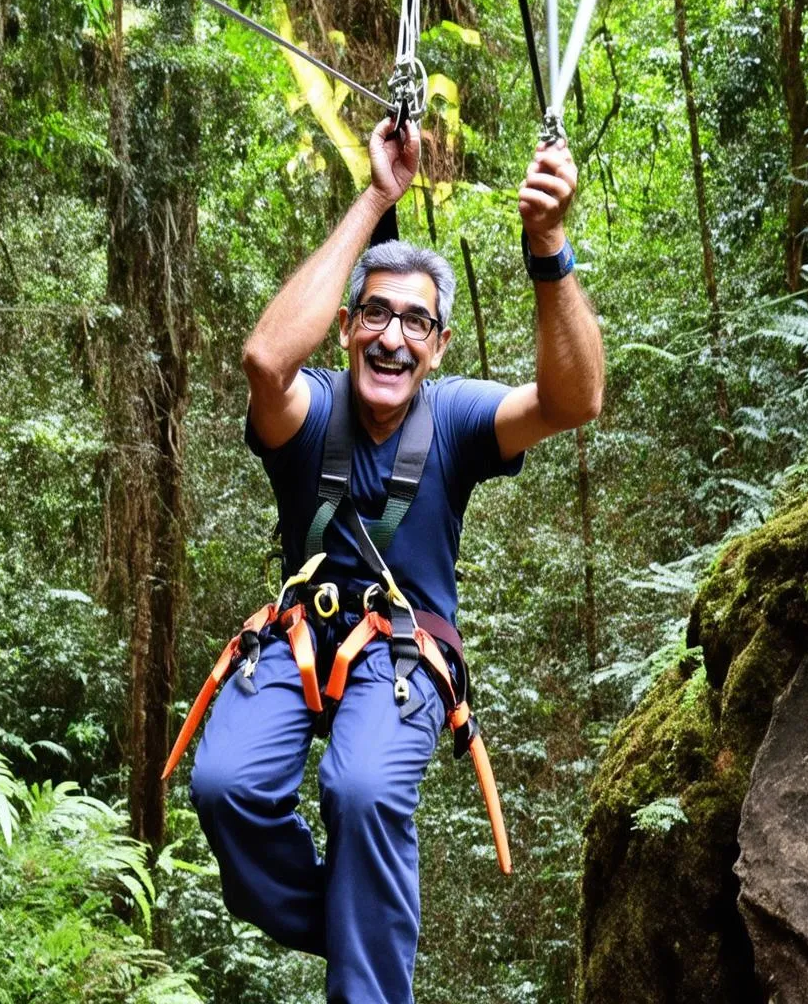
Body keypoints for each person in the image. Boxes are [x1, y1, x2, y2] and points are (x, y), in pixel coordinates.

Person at [188, 116, 603, 1004]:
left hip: (402, 656)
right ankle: (355, 929)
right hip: (298, 640)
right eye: (375, 313)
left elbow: (575, 399)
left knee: (364, 786)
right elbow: (265, 359)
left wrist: (549, 246)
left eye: (418, 322)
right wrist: (377, 196)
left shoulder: (454, 417)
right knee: (224, 786)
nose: (393, 338)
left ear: (441, 345)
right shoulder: (311, 413)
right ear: (345, 327)